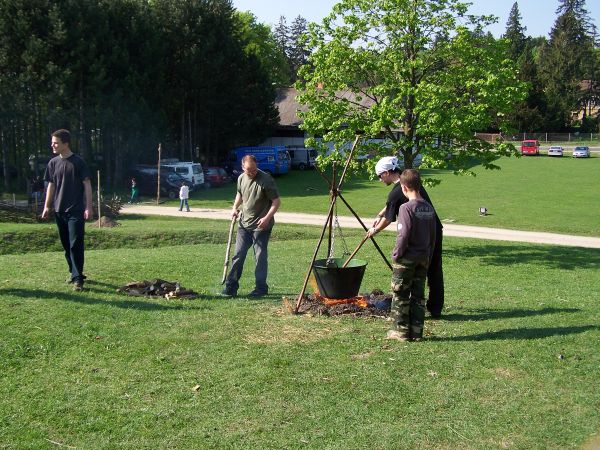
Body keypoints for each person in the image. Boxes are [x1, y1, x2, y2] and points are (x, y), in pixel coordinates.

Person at [367, 156, 444, 318]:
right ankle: (434, 307)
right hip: (434, 227)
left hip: (428, 230)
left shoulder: (396, 192)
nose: (380, 179)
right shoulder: (408, 183)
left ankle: (432, 308)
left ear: (387, 173)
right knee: (434, 268)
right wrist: (379, 213)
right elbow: (391, 205)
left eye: (380, 176)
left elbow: (389, 218)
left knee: (431, 270)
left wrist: (375, 231)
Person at [384, 169, 436, 341]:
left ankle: (400, 332)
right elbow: (433, 235)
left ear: (404, 188)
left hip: (406, 259)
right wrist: (428, 255)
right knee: (418, 296)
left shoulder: (406, 208)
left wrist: (397, 254)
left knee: (400, 294)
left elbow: (403, 234)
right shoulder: (428, 208)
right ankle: (416, 332)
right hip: (423, 258)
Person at [222, 155, 281, 297]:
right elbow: (240, 194)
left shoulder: (266, 179)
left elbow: (276, 202)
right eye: (249, 170)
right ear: (243, 167)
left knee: (260, 257)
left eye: (254, 169)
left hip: (261, 226)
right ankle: (231, 287)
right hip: (244, 223)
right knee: (238, 255)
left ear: (256, 165)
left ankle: (261, 289)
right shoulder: (241, 178)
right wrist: (235, 208)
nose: (252, 172)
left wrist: (267, 218)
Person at [41, 129, 93, 291]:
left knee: (75, 243)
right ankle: (73, 273)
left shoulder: (78, 162)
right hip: (59, 210)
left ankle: (78, 279)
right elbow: (51, 185)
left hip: (76, 210)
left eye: (56, 143)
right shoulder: (53, 163)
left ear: (65, 143)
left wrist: (89, 207)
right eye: (52, 143)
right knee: (66, 245)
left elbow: (87, 184)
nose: (53, 145)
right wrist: (47, 206)